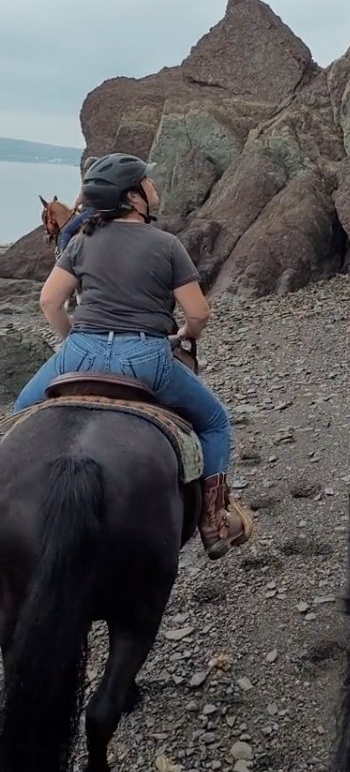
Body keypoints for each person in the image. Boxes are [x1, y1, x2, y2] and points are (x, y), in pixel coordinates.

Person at [13, 152, 253, 561]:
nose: (154, 187)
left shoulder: (81, 241)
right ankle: (213, 521)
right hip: (145, 357)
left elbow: (50, 301)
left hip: (80, 351)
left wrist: (74, 341)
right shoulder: (166, 245)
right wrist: (186, 334)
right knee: (215, 421)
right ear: (133, 197)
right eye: (148, 182)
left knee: (20, 412)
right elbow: (198, 313)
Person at [56, 156, 99, 254]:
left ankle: (63, 256)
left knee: (66, 231)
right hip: (100, 211)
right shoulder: (103, 181)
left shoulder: (89, 180)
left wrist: (75, 206)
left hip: (90, 211)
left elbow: (81, 197)